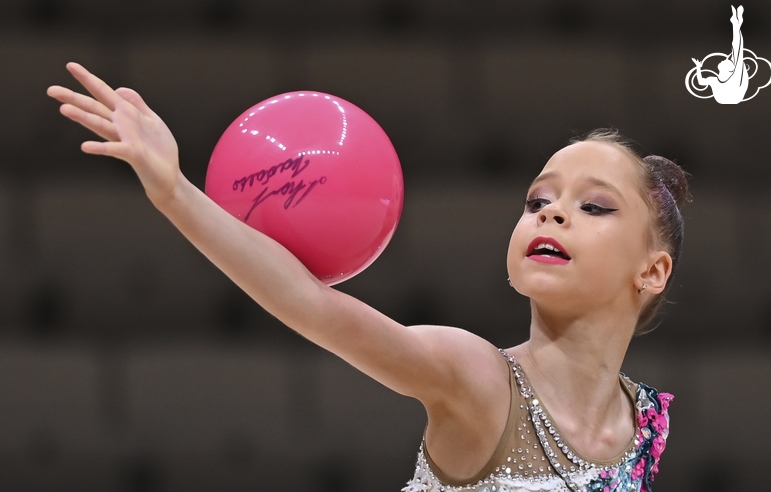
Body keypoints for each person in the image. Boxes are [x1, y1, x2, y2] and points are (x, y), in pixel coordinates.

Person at [47, 63, 686, 492]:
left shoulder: (643, 424)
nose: (551, 211)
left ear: (653, 271)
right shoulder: (477, 380)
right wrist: (174, 192)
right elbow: (310, 303)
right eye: (537, 200)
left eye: (594, 206)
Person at [692, 5, 748, 104]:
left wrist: (698, 67)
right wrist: (698, 67)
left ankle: (736, 24)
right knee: (737, 52)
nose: (724, 59)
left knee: (737, 51)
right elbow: (701, 82)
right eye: (728, 61)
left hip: (732, 96)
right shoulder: (717, 79)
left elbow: (738, 50)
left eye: (727, 61)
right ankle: (736, 24)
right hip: (730, 97)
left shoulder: (727, 78)